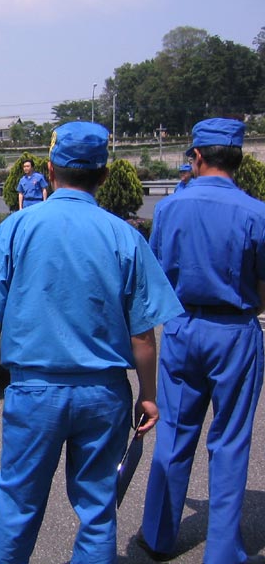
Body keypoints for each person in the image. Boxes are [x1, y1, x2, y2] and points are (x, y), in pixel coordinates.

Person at [0, 121, 182, 564]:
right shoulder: (125, 236)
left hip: (34, 390)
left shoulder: (18, 227)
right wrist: (149, 395)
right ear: (103, 176)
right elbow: (143, 335)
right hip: (104, 394)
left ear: (49, 169)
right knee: (98, 511)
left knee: (18, 506)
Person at [137, 118, 265, 564]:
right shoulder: (256, 211)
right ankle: (223, 550)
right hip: (234, 330)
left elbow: (157, 275)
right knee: (229, 440)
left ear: (195, 156)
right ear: (239, 159)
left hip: (182, 326)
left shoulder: (171, 208)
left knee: (173, 431)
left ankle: (157, 536)